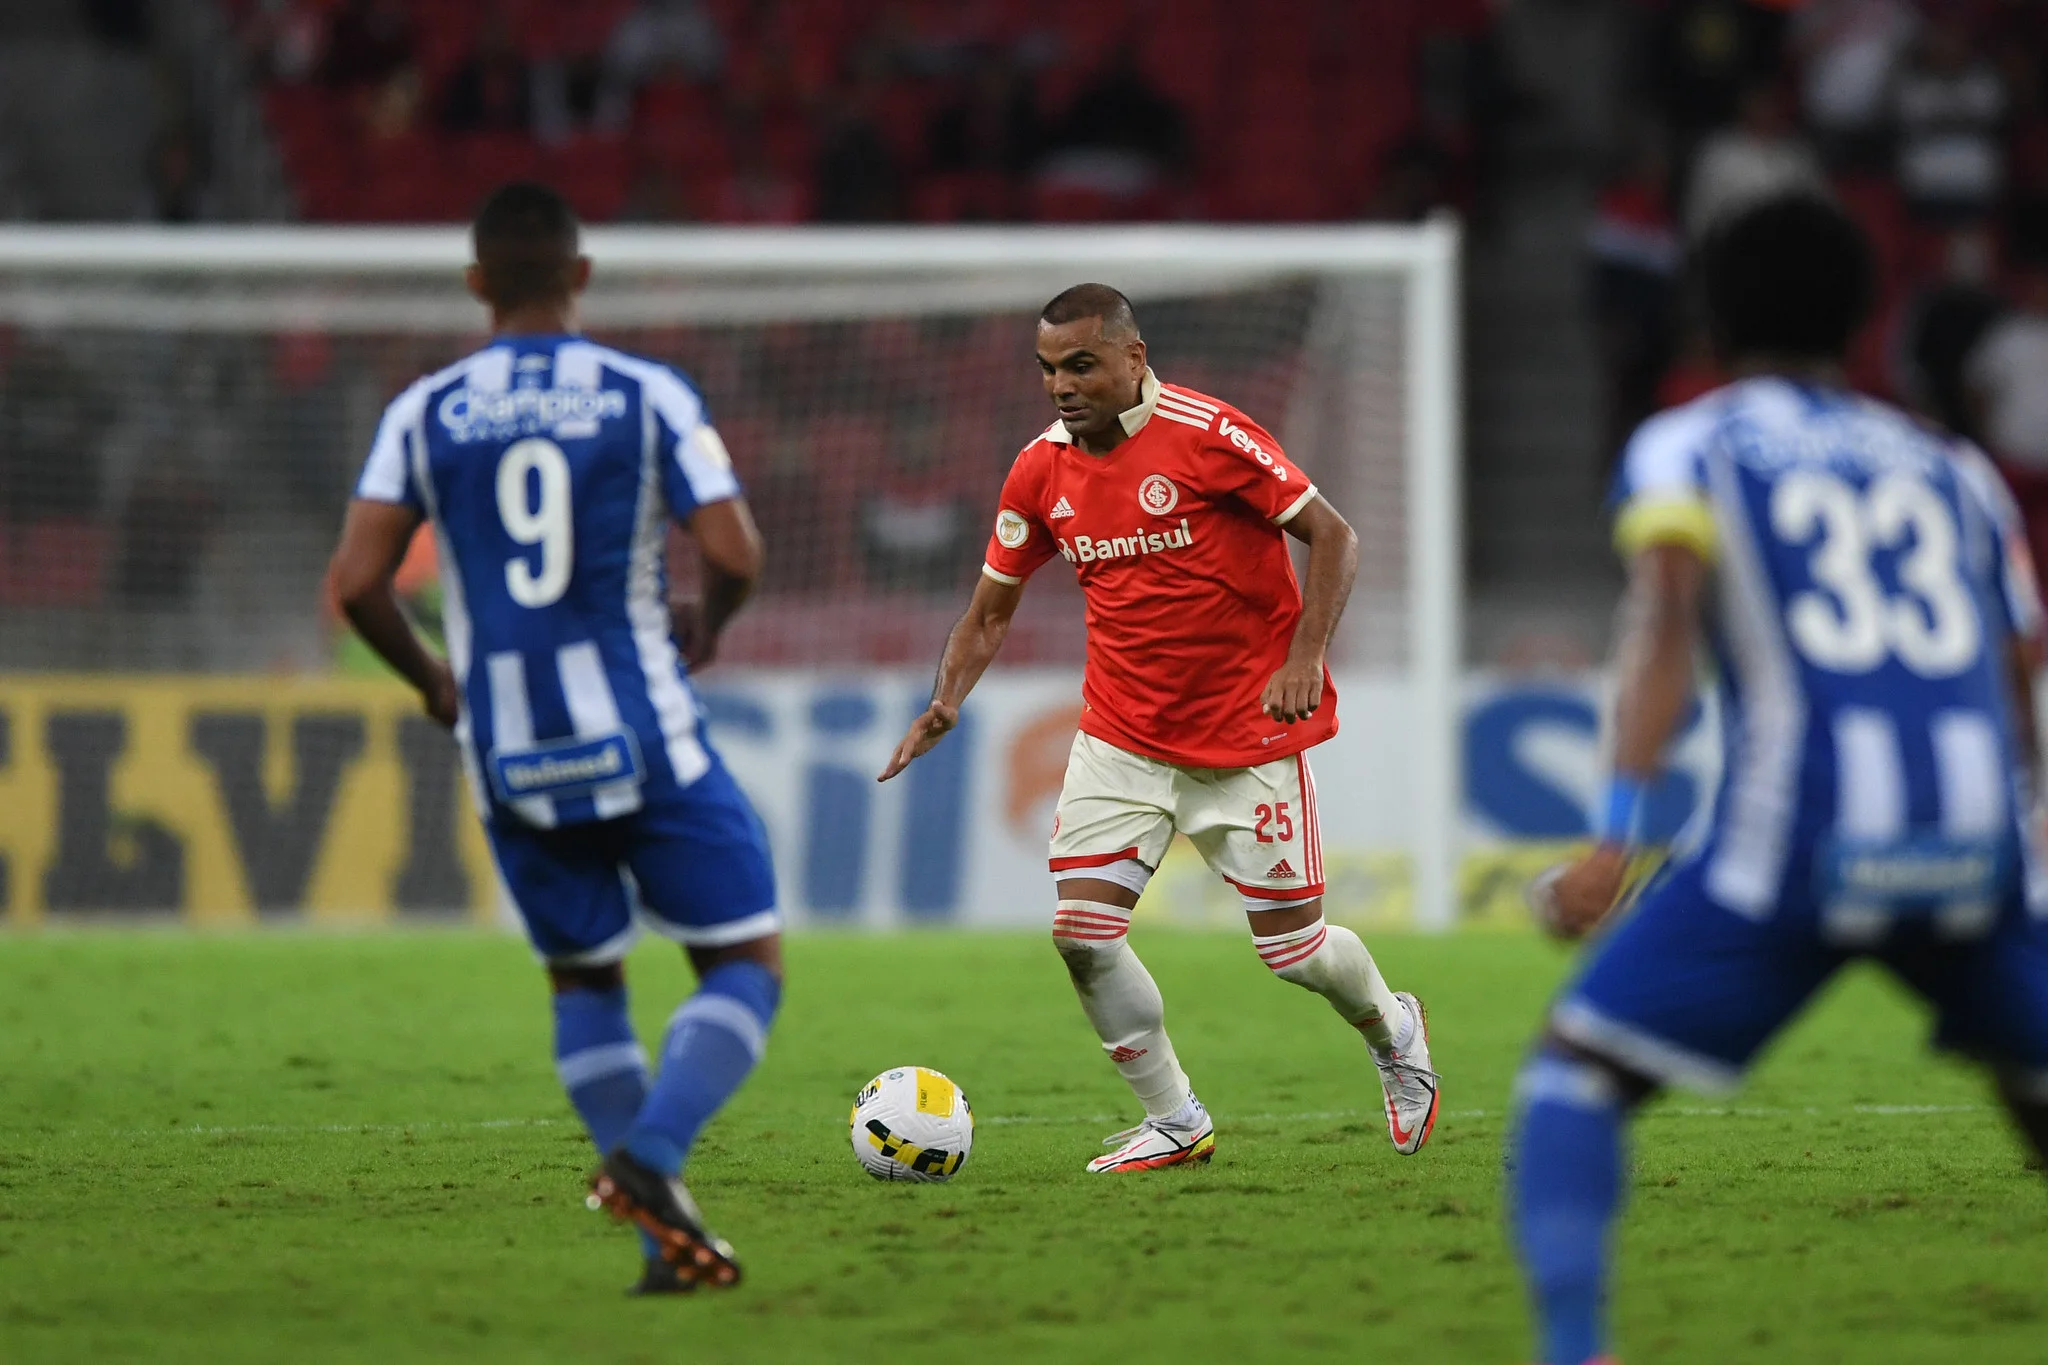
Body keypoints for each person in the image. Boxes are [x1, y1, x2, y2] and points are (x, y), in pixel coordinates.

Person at [1513, 193, 2048, 1365]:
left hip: (1800, 840)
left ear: (1705, 318)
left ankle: (1572, 1350)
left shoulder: (1687, 442)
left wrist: (1612, 836)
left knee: (1575, 1076)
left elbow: (1658, 627)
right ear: (1860, 319)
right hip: (1974, 834)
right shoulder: (1954, 466)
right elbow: (2017, 663)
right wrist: (2025, 845)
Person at [326, 183, 776, 1294]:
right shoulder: (643, 393)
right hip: (643, 732)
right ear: (579, 276)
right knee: (741, 962)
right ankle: (651, 1158)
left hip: (509, 749)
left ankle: (661, 1248)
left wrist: (439, 683)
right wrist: (704, 629)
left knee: (584, 984)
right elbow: (735, 550)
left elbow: (353, 584)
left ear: (476, 283)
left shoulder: (422, 411)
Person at [878, 285, 1440, 1172]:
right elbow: (991, 609)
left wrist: (1305, 656)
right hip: (1121, 737)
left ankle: (1395, 1029)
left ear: (1132, 358)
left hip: (1244, 736)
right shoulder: (1039, 469)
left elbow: (1333, 536)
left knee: (1294, 952)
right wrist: (947, 699)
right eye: (1049, 369)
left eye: (1081, 364)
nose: (1061, 385)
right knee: (1081, 935)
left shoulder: (1209, 435)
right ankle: (1176, 1118)